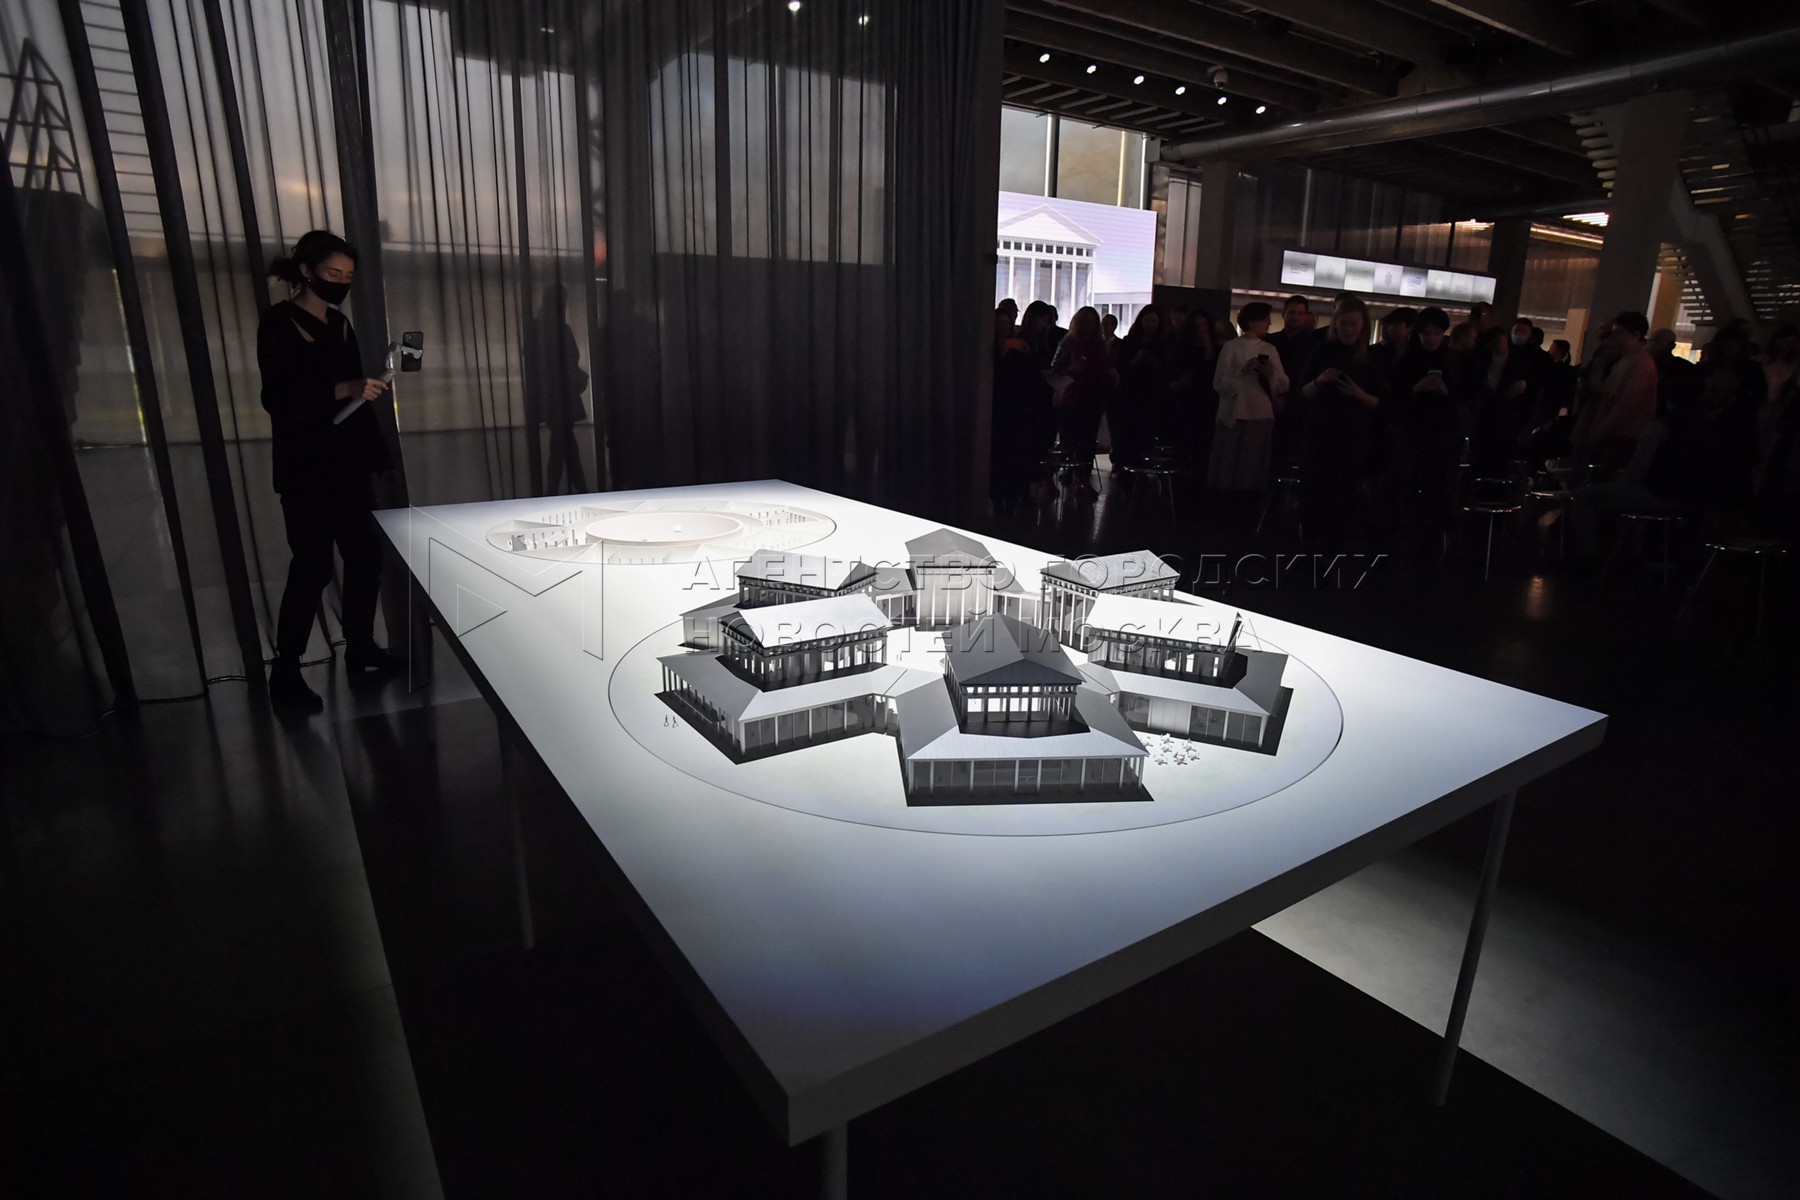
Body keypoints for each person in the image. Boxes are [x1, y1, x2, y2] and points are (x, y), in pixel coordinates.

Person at [259, 230, 401, 712]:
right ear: (306, 271)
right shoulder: (277, 323)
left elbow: (359, 403)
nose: (340, 283)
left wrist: (380, 461)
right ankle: (285, 669)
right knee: (312, 565)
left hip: (348, 464)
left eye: (348, 276)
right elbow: (277, 398)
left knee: (364, 556)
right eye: (332, 274)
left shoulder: (339, 324)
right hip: (305, 467)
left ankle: (360, 645)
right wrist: (344, 388)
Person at [1297, 297, 1381, 548]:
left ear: (1362, 325)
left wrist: (1358, 394)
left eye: (1353, 324)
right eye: (1343, 323)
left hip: (1352, 432)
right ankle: (1311, 539)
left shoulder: (1371, 357)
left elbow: (1379, 402)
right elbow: (1303, 392)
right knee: (1315, 486)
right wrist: (1320, 380)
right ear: (1335, 324)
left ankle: (1333, 543)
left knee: (1343, 491)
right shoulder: (1322, 350)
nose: (1348, 329)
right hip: (1320, 429)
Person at [1381, 306, 1460, 555]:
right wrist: (1416, 389)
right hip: (1410, 432)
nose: (1432, 339)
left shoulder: (1449, 361)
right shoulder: (1407, 361)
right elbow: (1394, 396)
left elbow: (1458, 398)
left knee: (1433, 485)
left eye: (1437, 334)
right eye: (1427, 334)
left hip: (1437, 434)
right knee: (1406, 484)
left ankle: (1428, 539)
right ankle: (1406, 536)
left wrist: (1445, 393)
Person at [1209, 301, 1287, 518]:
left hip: (1258, 412)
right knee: (1232, 463)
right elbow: (1220, 383)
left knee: (1251, 465)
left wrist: (1270, 373)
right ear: (1253, 322)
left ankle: (1245, 510)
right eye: (1265, 319)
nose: (1269, 323)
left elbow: (1283, 383)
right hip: (1235, 412)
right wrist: (1243, 371)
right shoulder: (1232, 347)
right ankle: (1228, 510)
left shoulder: (1269, 349)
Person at [1574, 312, 1658, 475]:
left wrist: (1599, 433)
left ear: (1635, 335)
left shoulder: (1640, 365)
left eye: (1619, 333)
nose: (1614, 337)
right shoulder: (1626, 362)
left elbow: (1625, 406)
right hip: (1614, 434)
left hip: (1623, 436)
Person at [526, 284, 589, 495]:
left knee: (563, 443)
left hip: (550, 393)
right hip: (561, 393)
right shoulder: (561, 329)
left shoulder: (537, 328)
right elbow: (572, 357)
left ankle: (557, 490)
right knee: (565, 443)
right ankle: (573, 488)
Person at [1048, 306, 1116, 499]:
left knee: (1087, 442)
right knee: (1069, 442)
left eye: (1092, 321)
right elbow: (1056, 368)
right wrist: (1072, 369)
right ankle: (1057, 476)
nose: (1089, 325)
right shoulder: (1069, 342)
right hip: (1072, 398)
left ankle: (1082, 480)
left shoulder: (1098, 344)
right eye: (1085, 321)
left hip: (1093, 398)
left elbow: (1104, 367)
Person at [1111, 305, 1167, 465]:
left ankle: (1140, 468)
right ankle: (1125, 467)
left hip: (1150, 396)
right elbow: (1121, 367)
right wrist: (1137, 360)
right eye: (1148, 320)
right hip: (1129, 395)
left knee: (1145, 435)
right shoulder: (1129, 342)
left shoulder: (1162, 344)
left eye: (1154, 321)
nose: (1150, 324)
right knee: (1127, 434)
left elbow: (1165, 370)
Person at [1167, 305, 1220, 471]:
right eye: (1197, 326)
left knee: (1204, 446)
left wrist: (1208, 344)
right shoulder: (1181, 348)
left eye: (1203, 325)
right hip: (1185, 402)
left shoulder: (1217, 349)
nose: (1200, 330)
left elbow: (1212, 369)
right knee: (1184, 444)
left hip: (1207, 402)